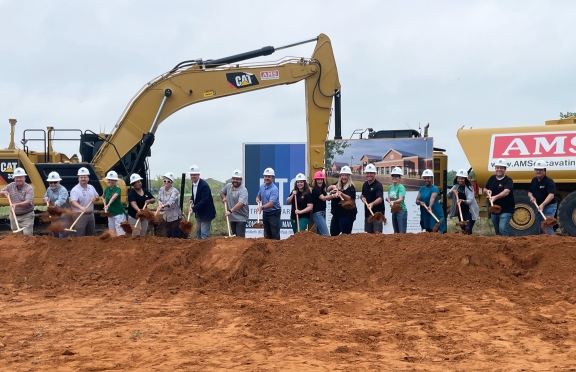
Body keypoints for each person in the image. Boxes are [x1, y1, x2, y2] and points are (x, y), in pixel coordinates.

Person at [484, 158, 515, 236]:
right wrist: (487, 191)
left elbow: (506, 192)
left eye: (501, 168)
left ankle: (507, 245)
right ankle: (499, 246)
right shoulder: (491, 178)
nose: (499, 169)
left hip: (506, 209)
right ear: (495, 169)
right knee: (497, 231)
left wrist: (495, 197)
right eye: (497, 167)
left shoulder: (508, 180)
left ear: (505, 169)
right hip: (494, 209)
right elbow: (484, 189)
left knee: (502, 229)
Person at [0, 167, 34, 235]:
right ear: (14, 178)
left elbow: (27, 202)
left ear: (24, 178)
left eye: (20, 177)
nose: (18, 179)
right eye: (16, 177)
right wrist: (3, 192)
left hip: (26, 216)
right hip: (14, 215)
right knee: (16, 236)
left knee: (27, 235)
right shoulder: (11, 186)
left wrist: (16, 205)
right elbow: (1, 192)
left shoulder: (29, 189)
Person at [528, 160, 557, 235]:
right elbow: (529, 192)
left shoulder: (549, 181)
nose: (538, 171)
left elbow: (551, 195)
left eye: (540, 170)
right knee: (541, 225)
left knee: (546, 224)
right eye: (536, 170)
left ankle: (552, 242)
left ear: (544, 170)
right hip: (538, 206)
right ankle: (543, 242)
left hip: (549, 206)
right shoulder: (534, 180)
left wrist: (543, 205)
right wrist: (531, 197)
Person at [327, 165, 358, 235]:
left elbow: (348, 198)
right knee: (333, 234)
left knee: (345, 235)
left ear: (349, 176)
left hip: (347, 215)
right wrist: (332, 188)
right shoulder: (337, 184)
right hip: (336, 214)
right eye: (342, 175)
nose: (344, 177)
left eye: (346, 175)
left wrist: (341, 193)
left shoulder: (351, 187)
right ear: (340, 176)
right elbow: (328, 189)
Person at [69, 167, 100, 236]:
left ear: (88, 178)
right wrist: (81, 207)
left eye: (85, 177)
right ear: (78, 179)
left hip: (90, 215)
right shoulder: (75, 190)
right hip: (79, 215)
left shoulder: (91, 187)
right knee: (80, 235)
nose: (83, 179)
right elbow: (73, 202)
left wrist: (95, 198)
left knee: (90, 234)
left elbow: (97, 196)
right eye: (81, 177)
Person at [188, 165, 216, 239]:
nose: (193, 176)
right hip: (199, 213)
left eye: (194, 174)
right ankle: (200, 249)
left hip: (207, 213)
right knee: (198, 232)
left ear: (198, 175)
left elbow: (204, 200)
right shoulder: (193, 184)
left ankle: (207, 249)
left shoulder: (204, 186)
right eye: (191, 175)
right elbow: (195, 195)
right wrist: (192, 199)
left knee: (204, 234)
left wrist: (193, 208)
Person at [447, 169, 479, 235]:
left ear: (465, 179)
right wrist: (451, 192)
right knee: (463, 229)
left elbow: (470, 201)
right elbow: (447, 195)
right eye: (459, 178)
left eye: (462, 178)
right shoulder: (456, 186)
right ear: (457, 178)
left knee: (468, 229)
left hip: (469, 212)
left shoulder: (470, 187)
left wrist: (462, 201)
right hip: (460, 211)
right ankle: (465, 244)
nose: (460, 180)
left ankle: (470, 243)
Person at [220, 169, 249, 237]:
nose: (235, 180)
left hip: (241, 218)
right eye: (233, 178)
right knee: (234, 238)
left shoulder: (243, 190)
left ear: (241, 180)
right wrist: (224, 197)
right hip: (232, 217)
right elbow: (222, 193)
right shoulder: (228, 186)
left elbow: (240, 203)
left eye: (237, 179)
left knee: (239, 239)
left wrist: (230, 211)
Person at [43, 171, 71, 238]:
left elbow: (60, 201)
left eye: (55, 182)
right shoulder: (49, 189)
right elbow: (45, 198)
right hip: (54, 215)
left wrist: (52, 207)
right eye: (51, 182)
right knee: (54, 233)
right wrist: (45, 199)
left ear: (59, 182)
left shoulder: (63, 190)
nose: (53, 184)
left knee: (62, 234)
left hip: (64, 214)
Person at [256, 167, 281, 240]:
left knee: (275, 234)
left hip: (274, 212)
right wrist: (257, 198)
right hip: (266, 212)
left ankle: (277, 250)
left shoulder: (274, 189)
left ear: (272, 178)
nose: (267, 178)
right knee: (267, 233)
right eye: (265, 176)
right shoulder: (262, 186)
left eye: (269, 177)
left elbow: (271, 203)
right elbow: (259, 196)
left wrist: (262, 207)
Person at [157, 172, 182, 238]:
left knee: (175, 236)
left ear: (171, 182)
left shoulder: (175, 191)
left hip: (175, 217)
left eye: (168, 181)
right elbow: (159, 199)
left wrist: (162, 206)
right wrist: (159, 204)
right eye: (165, 181)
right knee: (168, 234)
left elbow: (170, 202)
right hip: (166, 216)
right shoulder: (161, 189)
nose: (166, 182)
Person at [360, 164, 384, 234]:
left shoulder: (378, 185)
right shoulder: (365, 185)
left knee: (377, 233)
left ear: (374, 174)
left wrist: (372, 204)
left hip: (377, 214)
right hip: (368, 214)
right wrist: (362, 197)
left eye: (371, 173)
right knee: (369, 234)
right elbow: (362, 195)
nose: (369, 175)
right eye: (367, 173)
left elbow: (380, 199)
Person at [102, 171, 127, 236]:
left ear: (116, 181)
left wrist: (108, 204)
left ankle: (121, 244)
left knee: (119, 229)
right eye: (109, 180)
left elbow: (113, 198)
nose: (110, 181)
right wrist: (105, 205)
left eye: (112, 180)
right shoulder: (107, 188)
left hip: (118, 212)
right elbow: (103, 197)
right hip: (110, 213)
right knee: (112, 230)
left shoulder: (118, 189)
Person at [386, 167, 407, 234]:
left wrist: (393, 202)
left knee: (402, 233)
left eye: (396, 176)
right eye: (393, 176)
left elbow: (401, 199)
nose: (394, 178)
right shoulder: (390, 187)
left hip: (401, 211)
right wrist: (388, 199)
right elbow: (389, 197)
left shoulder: (401, 187)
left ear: (399, 178)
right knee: (396, 232)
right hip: (394, 210)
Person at [310, 171, 330, 236]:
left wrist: (333, 192)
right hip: (318, 214)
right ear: (315, 180)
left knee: (319, 238)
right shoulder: (315, 189)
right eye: (318, 179)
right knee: (326, 235)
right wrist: (333, 196)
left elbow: (328, 198)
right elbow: (323, 198)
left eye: (321, 179)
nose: (320, 181)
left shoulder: (321, 189)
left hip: (322, 213)